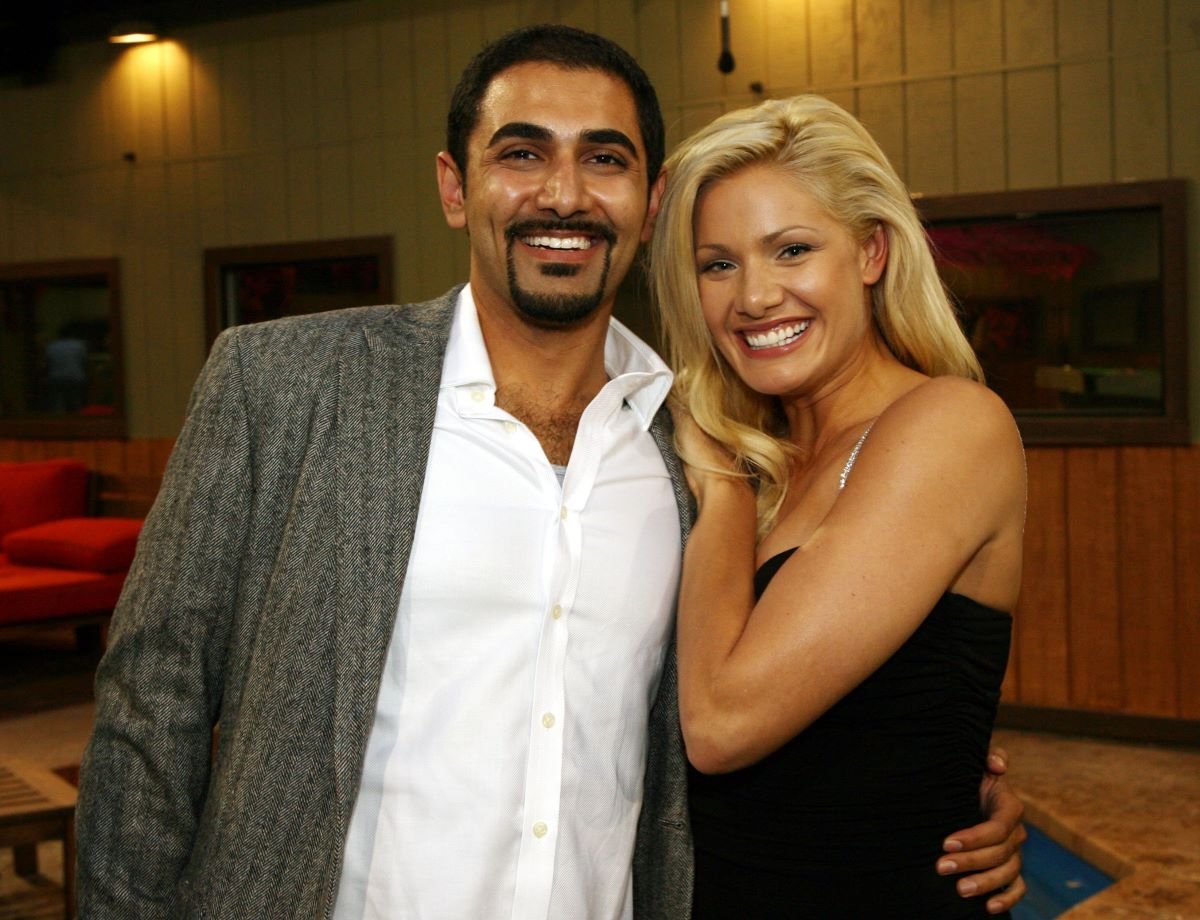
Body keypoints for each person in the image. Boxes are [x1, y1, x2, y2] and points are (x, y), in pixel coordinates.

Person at [76, 26, 1023, 920]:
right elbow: (150, 705)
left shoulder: (690, 449)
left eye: (604, 158)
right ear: (456, 188)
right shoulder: (283, 384)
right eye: (522, 153)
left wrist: (949, 778)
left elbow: (795, 703)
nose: (563, 195)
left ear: (646, 205)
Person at [651, 94, 1028, 918]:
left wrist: (717, 487)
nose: (753, 296)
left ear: (870, 251)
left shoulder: (950, 424)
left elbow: (719, 723)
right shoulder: (752, 454)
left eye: (791, 250)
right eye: (718, 264)